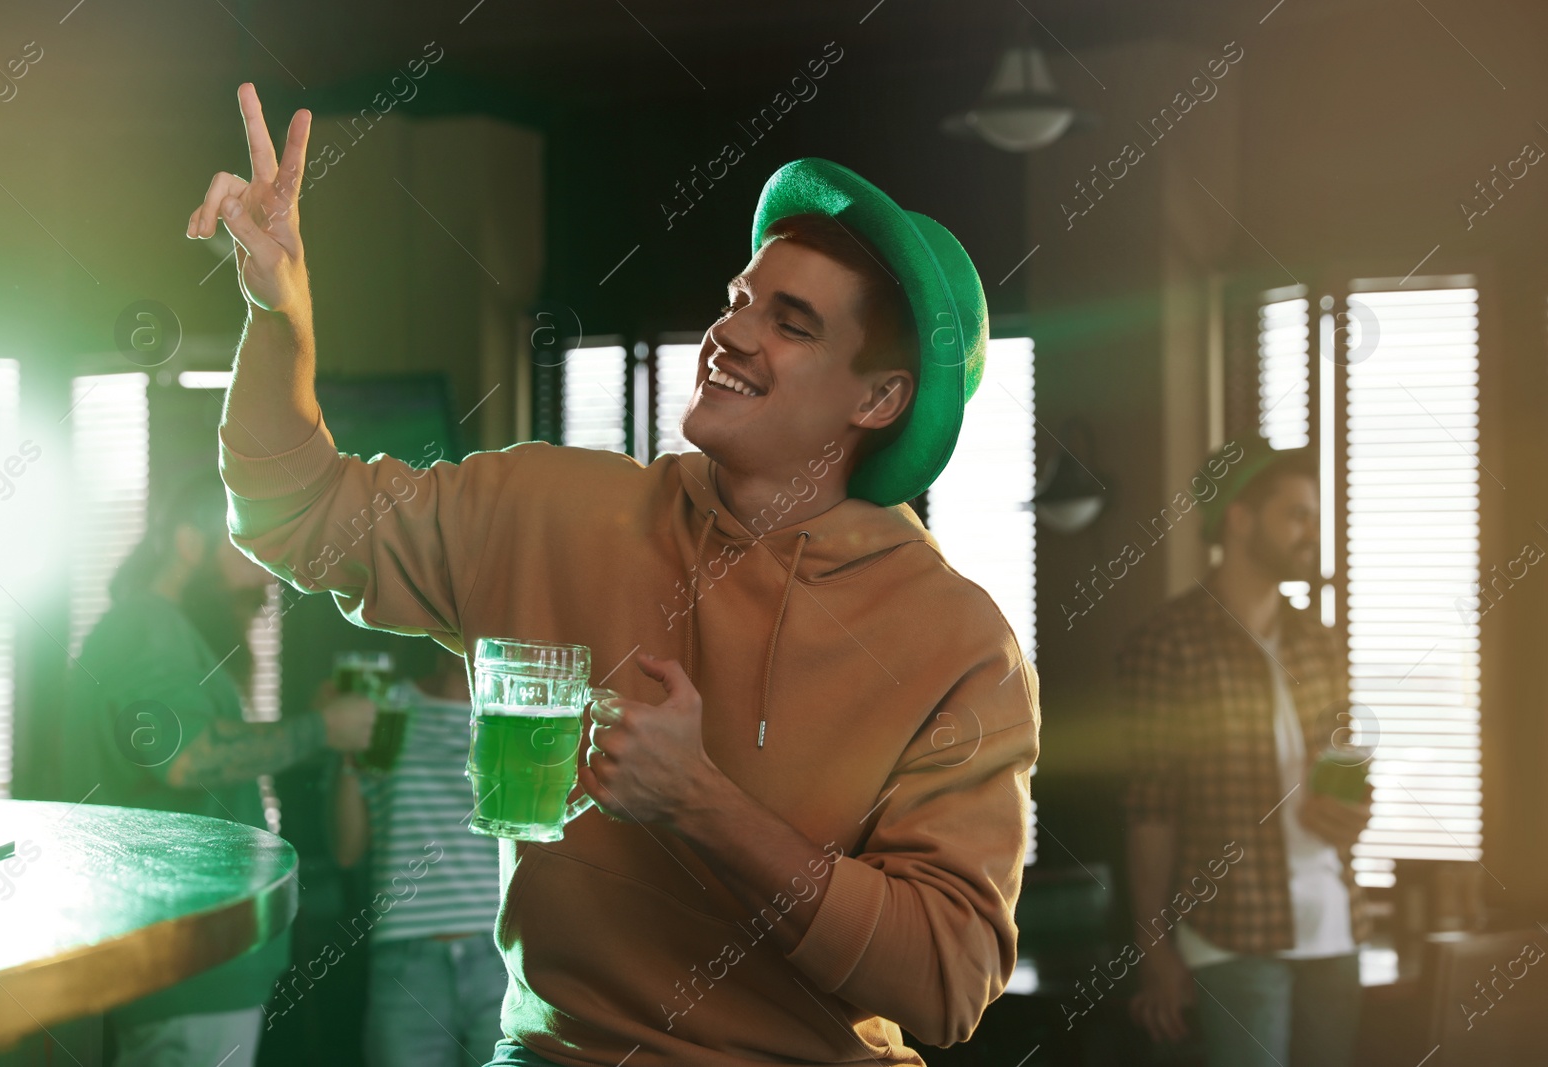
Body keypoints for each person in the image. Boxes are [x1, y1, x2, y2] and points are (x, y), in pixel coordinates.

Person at [189, 83, 1040, 1066]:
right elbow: (296, 511)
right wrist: (278, 311)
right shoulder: (551, 507)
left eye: (792, 322)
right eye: (737, 300)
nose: (731, 333)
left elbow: (945, 979)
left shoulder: (957, 643)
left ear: (880, 396)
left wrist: (702, 804)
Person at [61, 471, 377, 1067]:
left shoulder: (159, 631)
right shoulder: (147, 627)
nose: (267, 572)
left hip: (196, 971)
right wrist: (323, 730)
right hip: (187, 972)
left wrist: (314, 730)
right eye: (249, 548)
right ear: (187, 543)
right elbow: (188, 757)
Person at [1118, 435, 1373, 1067]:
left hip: (1335, 930)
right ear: (1239, 519)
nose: (1311, 532)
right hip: (1231, 935)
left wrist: (1352, 808)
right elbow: (1150, 810)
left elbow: (1342, 777)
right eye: (1296, 515)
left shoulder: (1320, 642)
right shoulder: (1170, 643)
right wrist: (1154, 951)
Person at [329, 649, 509, 1066]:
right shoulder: (387, 706)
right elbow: (345, 849)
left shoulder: (515, 714)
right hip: (405, 960)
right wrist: (343, 749)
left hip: (501, 955)